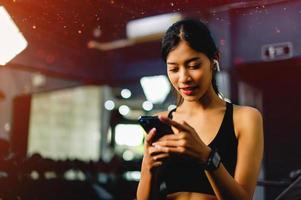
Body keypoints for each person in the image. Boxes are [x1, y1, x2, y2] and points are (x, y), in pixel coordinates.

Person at [136, 19, 264, 200]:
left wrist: (207, 157)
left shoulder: (245, 118)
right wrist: (148, 169)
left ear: (214, 59)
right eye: (173, 69)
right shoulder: (162, 121)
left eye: (194, 66)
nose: (184, 78)